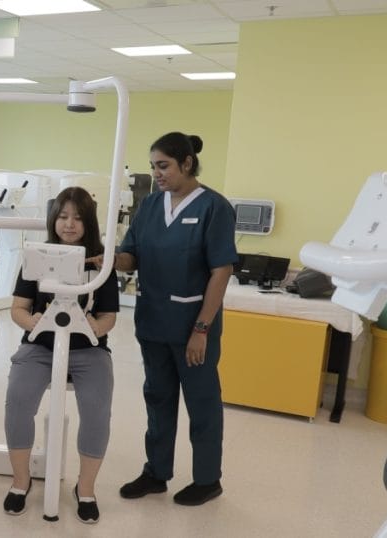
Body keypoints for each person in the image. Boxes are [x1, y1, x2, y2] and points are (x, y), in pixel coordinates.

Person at [112, 132, 237, 506]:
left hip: (192, 326)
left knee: (202, 404)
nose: (157, 173)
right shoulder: (151, 205)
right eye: (153, 166)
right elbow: (131, 256)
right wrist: (108, 259)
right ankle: (156, 472)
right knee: (158, 398)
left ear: (187, 163)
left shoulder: (214, 207)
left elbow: (221, 271)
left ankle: (207, 480)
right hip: (153, 322)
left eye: (163, 166)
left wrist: (201, 329)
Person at [2, 186, 119, 524]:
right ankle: (21, 482)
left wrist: (94, 326)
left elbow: (109, 317)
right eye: (64, 216)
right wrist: (33, 321)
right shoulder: (37, 257)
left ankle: (86, 489)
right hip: (40, 347)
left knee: (97, 412)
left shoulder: (102, 265)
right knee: (18, 401)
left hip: (89, 350)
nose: (69, 224)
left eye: (78, 218)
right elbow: (18, 309)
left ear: (89, 223)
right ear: (54, 219)